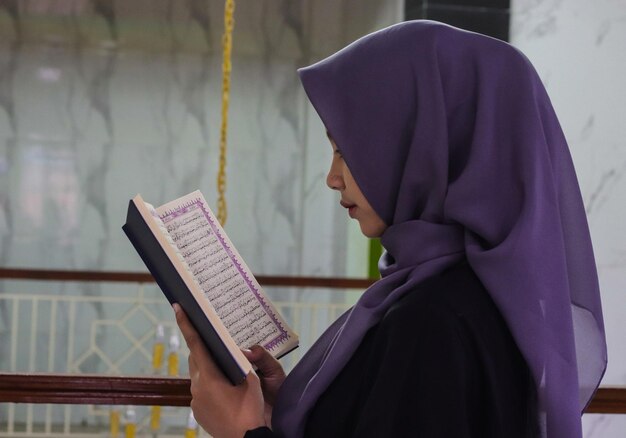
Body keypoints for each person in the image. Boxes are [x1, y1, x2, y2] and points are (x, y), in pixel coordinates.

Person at [173, 20, 607, 438]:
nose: (333, 177)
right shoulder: (491, 295)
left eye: (348, 150)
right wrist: (296, 406)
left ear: (424, 147)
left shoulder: (429, 320)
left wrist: (241, 431)